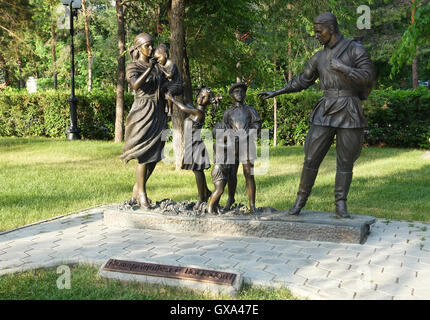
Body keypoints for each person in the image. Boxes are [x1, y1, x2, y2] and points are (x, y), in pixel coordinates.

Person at [258, 12, 375, 218]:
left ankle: (341, 205)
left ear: (331, 28)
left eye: (319, 31)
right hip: (325, 109)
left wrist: (344, 68)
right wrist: (277, 92)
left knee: (345, 161)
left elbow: (368, 78)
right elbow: (303, 80)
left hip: (349, 108)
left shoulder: (355, 49)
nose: (316, 35)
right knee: (311, 157)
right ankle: (299, 202)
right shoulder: (319, 57)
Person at [120, 33, 168, 209]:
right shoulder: (133, 66)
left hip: (158, 111)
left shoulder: (157, 67)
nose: (150, 49)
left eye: (151, 45)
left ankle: (137, 186)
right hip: (142, 111)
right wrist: (149, 69)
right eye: (147, 46)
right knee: (144, 155)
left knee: (155, 154)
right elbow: (134, 85)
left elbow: (162, 87)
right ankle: (142, 193)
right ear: (138, 47)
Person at [166, 87, 215, 209]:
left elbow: (182, 107)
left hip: (196, 146)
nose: (201, 98)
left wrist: (171, 99)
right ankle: (206, 191)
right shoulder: (194, 109)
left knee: (198, 171)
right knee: (197, 171)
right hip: (190, 145)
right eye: (200, 95)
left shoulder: (199, 113)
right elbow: (186, 100)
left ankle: (201, 198)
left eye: (205, 98)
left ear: (209, 102)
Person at [219, 82, 261, 213]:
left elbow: (257, 126)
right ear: (231, 95)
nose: (240, 94)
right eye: (236, 92)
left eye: (242, 92)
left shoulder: (251, 110)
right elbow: (224, 128)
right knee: (231, 175)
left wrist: (246, 134)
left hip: (247, 145)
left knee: (249, 174)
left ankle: (252, 205)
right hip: (232, 147)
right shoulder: (228, 113)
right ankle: (230, 199)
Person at [154, 43, 183, 117]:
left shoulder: (171, 63)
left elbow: (170, 76)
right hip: (170, 84)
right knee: (161, 89)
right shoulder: (162, 65)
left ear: (165, 55)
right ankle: (163, 106)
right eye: (156, 59)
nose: (158, 60)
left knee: (168, 94)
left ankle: (170, 109)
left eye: (159, 58)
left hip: (177, 84)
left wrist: (162, 69)